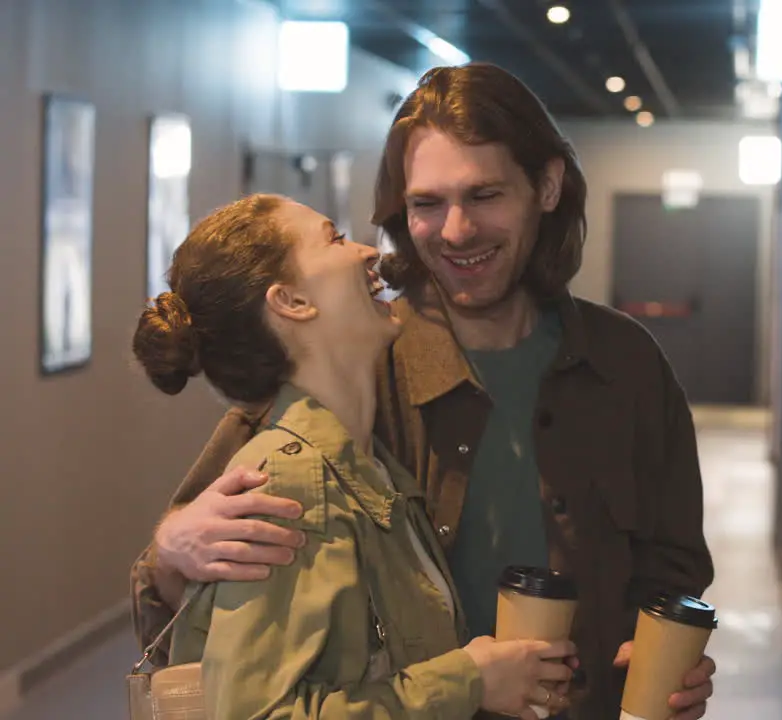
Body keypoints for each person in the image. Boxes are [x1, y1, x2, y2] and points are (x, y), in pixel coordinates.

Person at [131, 63, 717, 720]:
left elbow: (674, 565)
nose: (456, 231)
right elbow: (193, 579)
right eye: (426, 204)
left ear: (546, 187)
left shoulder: (626, 363)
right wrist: (174, 547)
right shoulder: (350, 370)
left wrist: (669, 657)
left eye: (485, 195)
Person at [132, 193, 577, 718]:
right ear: (292, 302)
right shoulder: (293, 486)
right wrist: (469, 681)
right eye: (335, 239)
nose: (368, 252)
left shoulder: (366, 467)